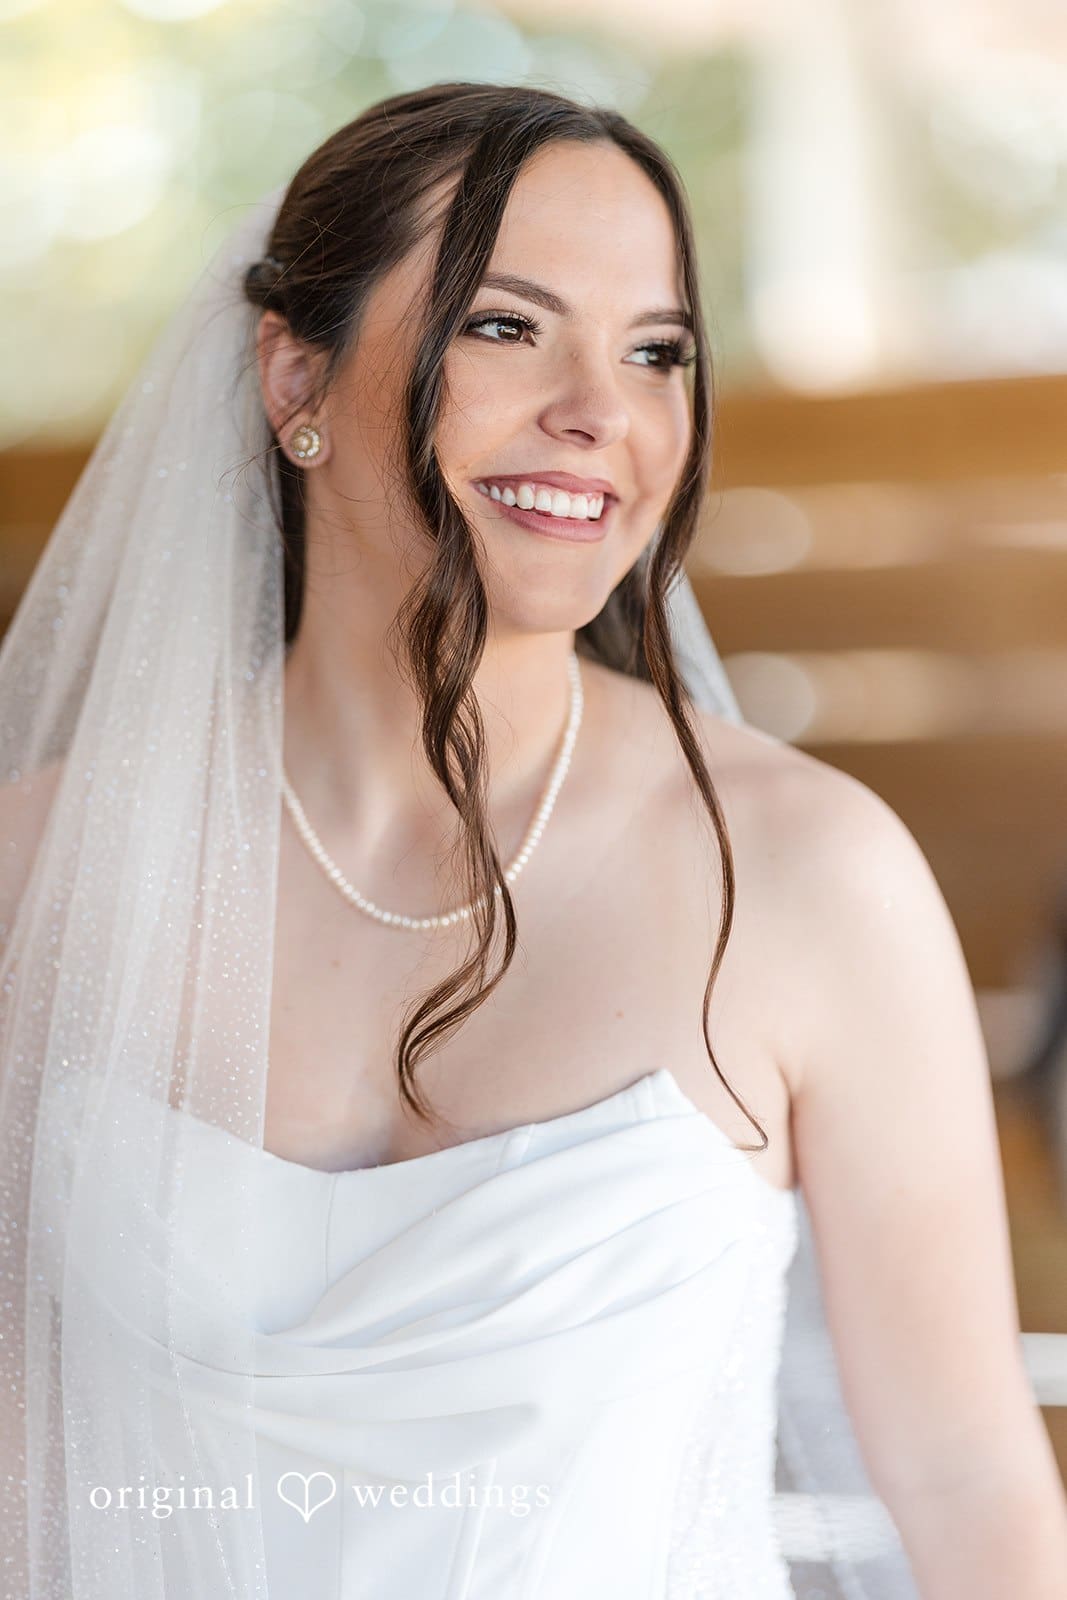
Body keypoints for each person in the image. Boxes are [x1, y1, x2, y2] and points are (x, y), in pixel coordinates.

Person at [1, 81, 1065, 1600]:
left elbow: (969, 1489)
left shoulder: (811, 879)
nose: (604, 413)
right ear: (293, 373)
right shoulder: (35, 878)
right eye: (508, 328)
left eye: (657, 354)